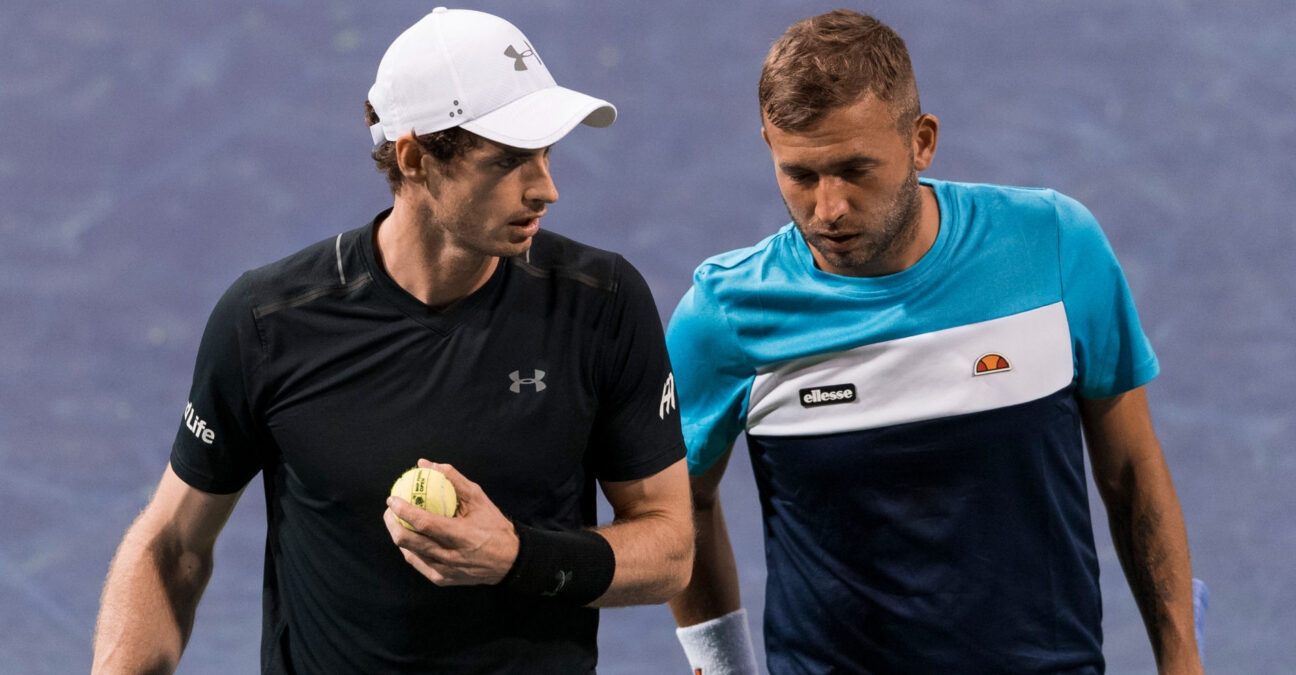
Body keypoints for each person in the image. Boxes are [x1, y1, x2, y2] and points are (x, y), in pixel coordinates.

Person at [92, 7, 692, 674]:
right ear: (414, 158)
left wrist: (518, 556)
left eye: (547, 152)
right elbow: (172, 546)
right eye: (510, 161)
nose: (546, 188)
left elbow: (669, 550)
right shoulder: (269, 323)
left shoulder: (600, 302)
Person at [667, 9, 1201, 674]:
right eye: (800, 174)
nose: (827, 207)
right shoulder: (726, 315)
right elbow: (677, 495)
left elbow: (1131, 474)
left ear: (922, 142)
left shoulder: (1057, 246)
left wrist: (1181, 658)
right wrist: (722, 669)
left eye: (854, 169)